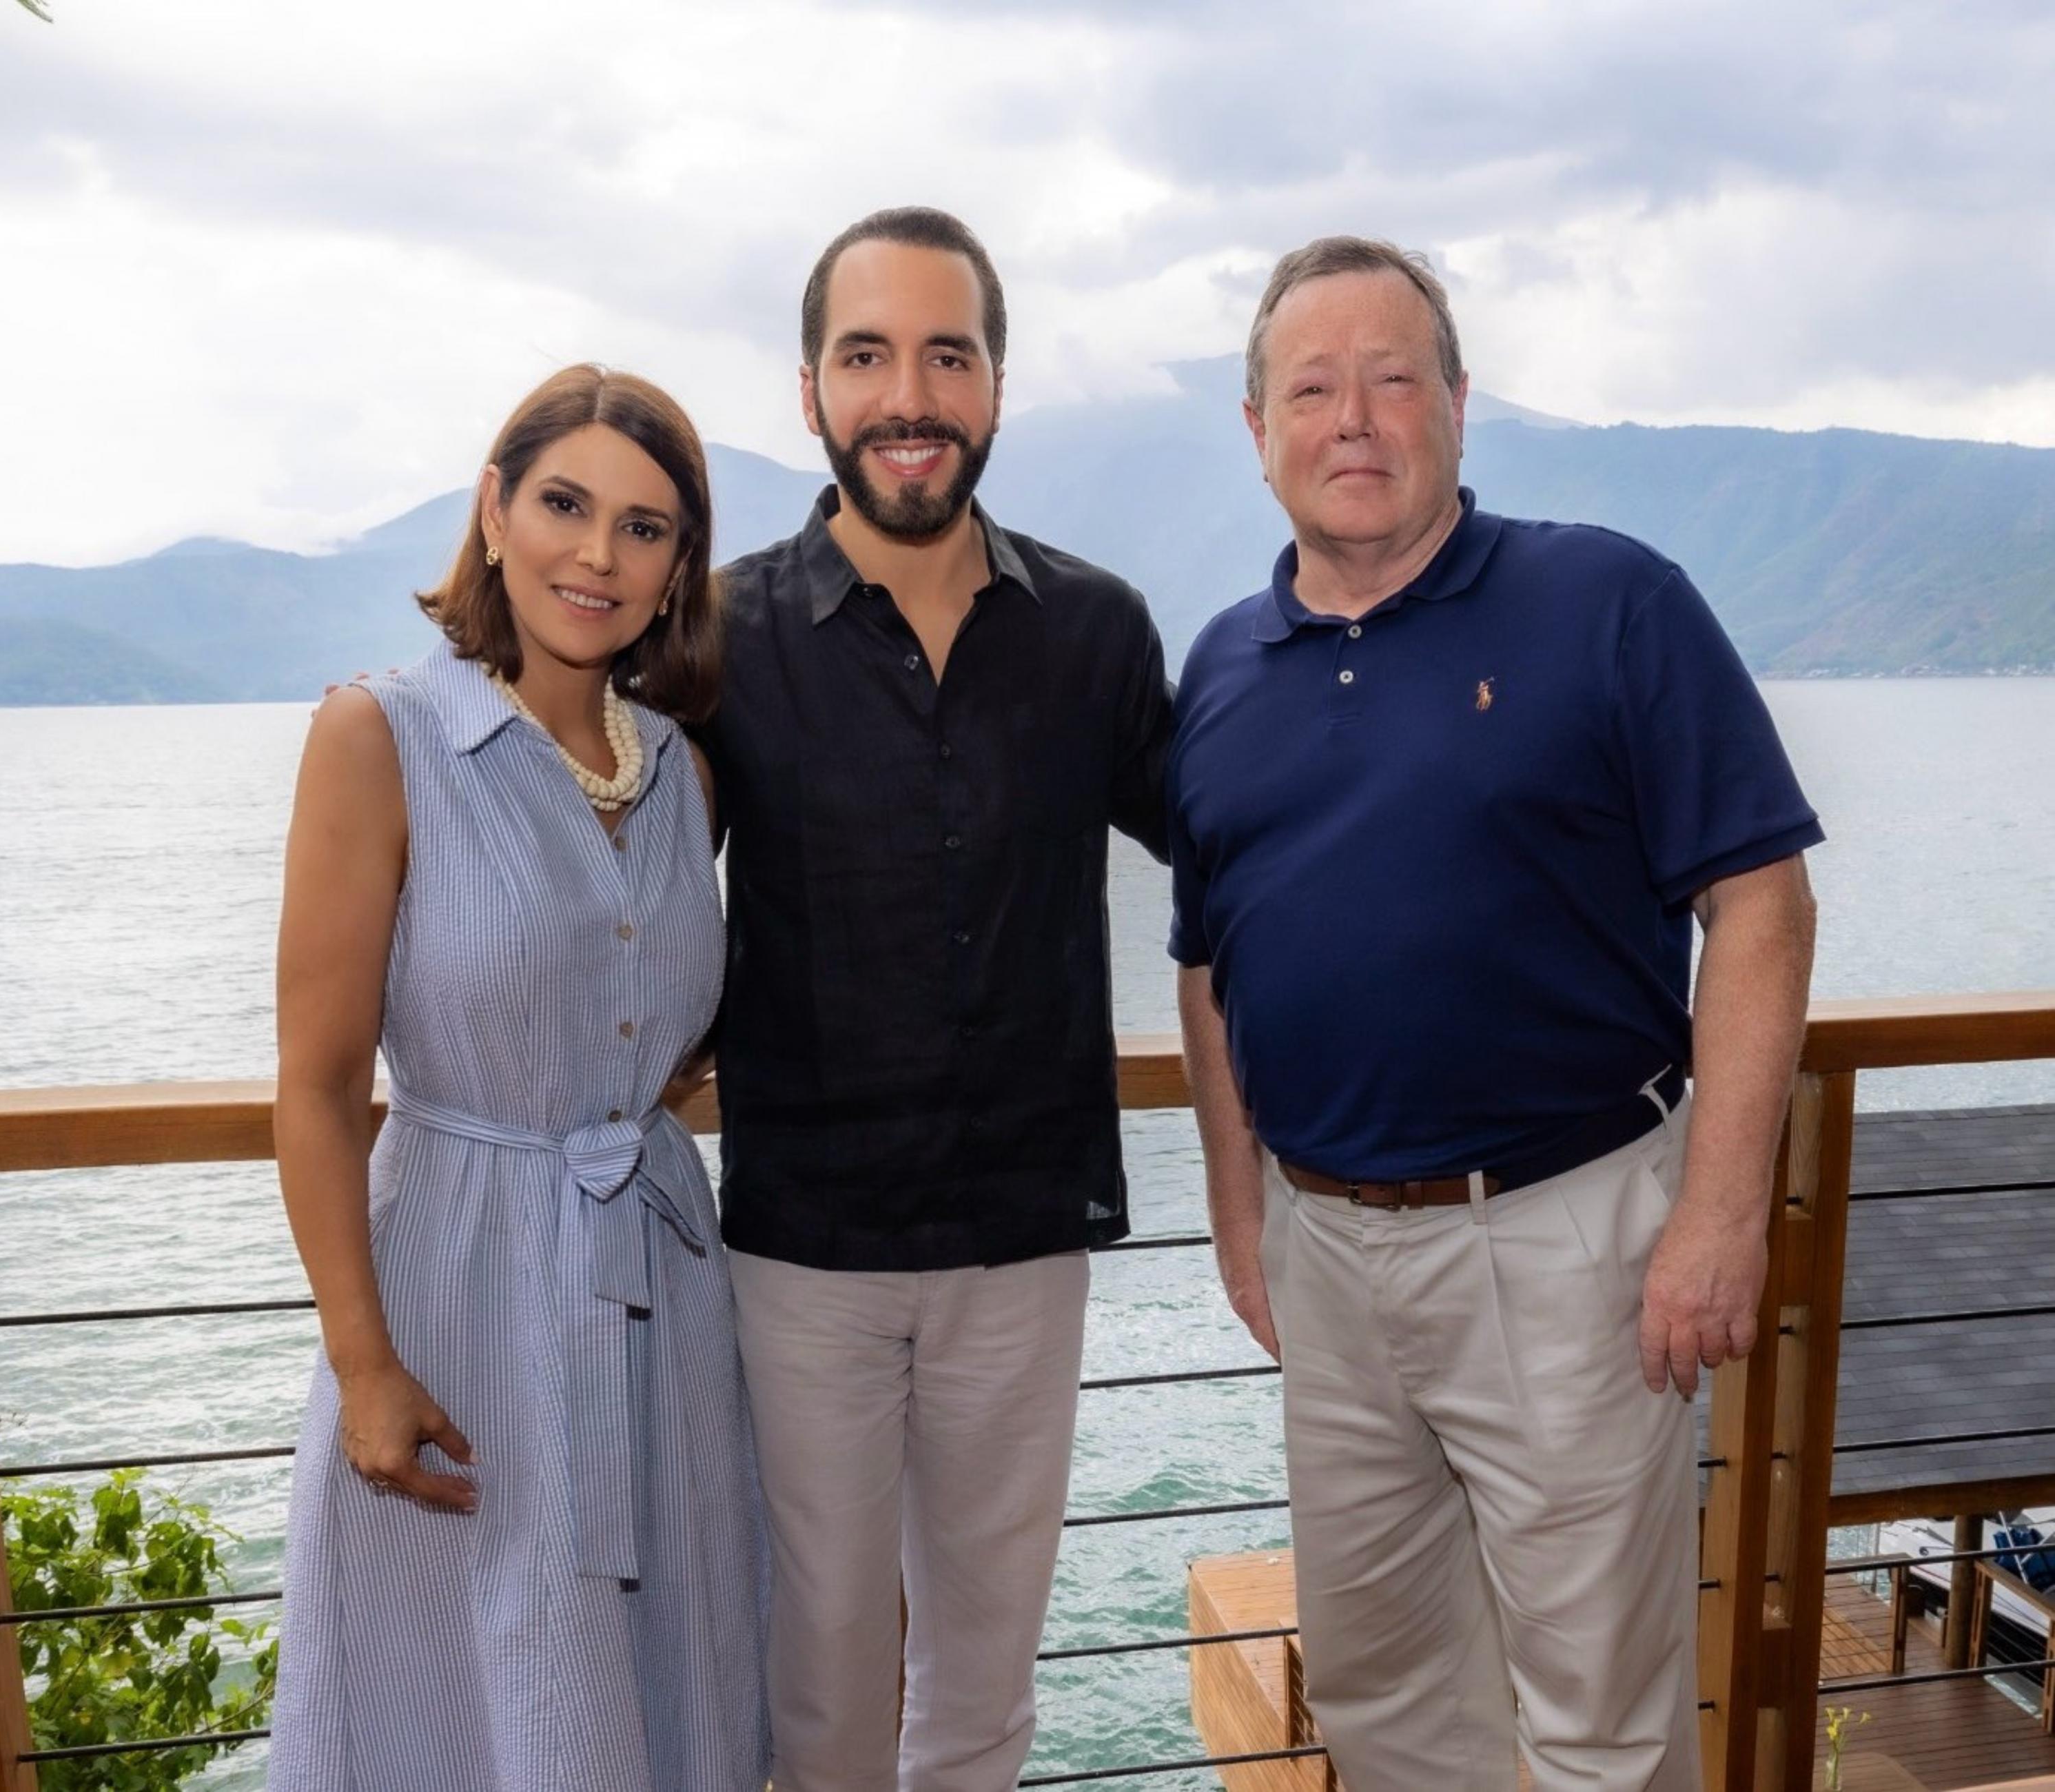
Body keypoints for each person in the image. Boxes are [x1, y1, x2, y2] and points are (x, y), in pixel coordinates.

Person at [1168, 237, 1821, 1792]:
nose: (1355, 418)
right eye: (1312, 387)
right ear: (1256, 430)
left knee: (1599, 1720)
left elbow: (1764, 904)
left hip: (1569, 1244)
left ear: (1458, 405)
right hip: (1329, 1256)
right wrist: (1239, 1213)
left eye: (1394, 378)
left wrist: (1720, 1215)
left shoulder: (1607, 600)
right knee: (1390, 1697)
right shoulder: (1222, 668)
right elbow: (1207, 966)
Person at [700, 207, 1174, 1791]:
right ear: (811, 389)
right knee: (819, 1690)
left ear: (995, 385)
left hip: (1022, 1243)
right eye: (869, 354)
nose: (910, 394)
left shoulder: (1096, 631)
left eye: (947, 354)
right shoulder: (715, 632)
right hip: (805, 1252)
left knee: (983, 1688)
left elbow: (1251, 855)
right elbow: (608, 894)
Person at [268, 365, 768, 1791]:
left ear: (679, 570)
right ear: (494, 512)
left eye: (647, 527)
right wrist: (364, 1362)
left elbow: (655, 1040)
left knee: (669, 1695)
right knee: (468, 1708)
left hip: (664, 1313)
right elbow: (313, 1085)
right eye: (564, 503)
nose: (597, 555)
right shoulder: (382, 737)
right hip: (459, 1305)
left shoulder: (685, 774)